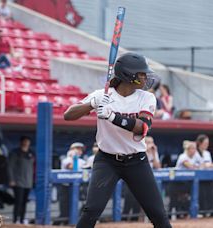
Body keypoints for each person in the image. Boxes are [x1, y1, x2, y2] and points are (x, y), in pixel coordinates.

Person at [64, 52, 171, 228]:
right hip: (107, 160)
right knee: (91, 210)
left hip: (137, 160)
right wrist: (92, 104)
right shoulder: (102, 95)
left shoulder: (147, 97)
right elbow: (68, 115)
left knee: (158, 214)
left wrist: (112, 116)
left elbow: (142, 128)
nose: (146, 77)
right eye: (142, 74)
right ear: (129, 75)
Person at [9, 136, 35, 224]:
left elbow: (34, 168)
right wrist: (11, 179)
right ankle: (15, 219)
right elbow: (10, 167)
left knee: (24, 202)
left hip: (28, 182)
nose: (26, 143)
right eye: (24, 141)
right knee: (18, 201)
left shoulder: (31, 153)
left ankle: (22, 219)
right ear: (21, 142)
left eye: (28, 141)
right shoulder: (15, 153)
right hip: (18, 181)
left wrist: (33, 181)